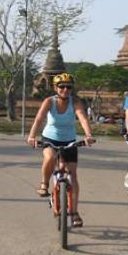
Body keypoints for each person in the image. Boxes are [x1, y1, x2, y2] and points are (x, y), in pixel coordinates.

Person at [26, 73, 95, 228]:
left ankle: (75, 212)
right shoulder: (49, 102)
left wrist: (88, 135)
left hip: (69, 140)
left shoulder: (75, 102)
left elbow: (83, 118)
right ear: (55, 88)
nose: (65, 89)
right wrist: (31, 136)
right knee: (50, 157)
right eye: (62, 86)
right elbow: (39, 119)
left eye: (69, 87)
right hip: (50, 138)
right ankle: (44, 184)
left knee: (73, 174)